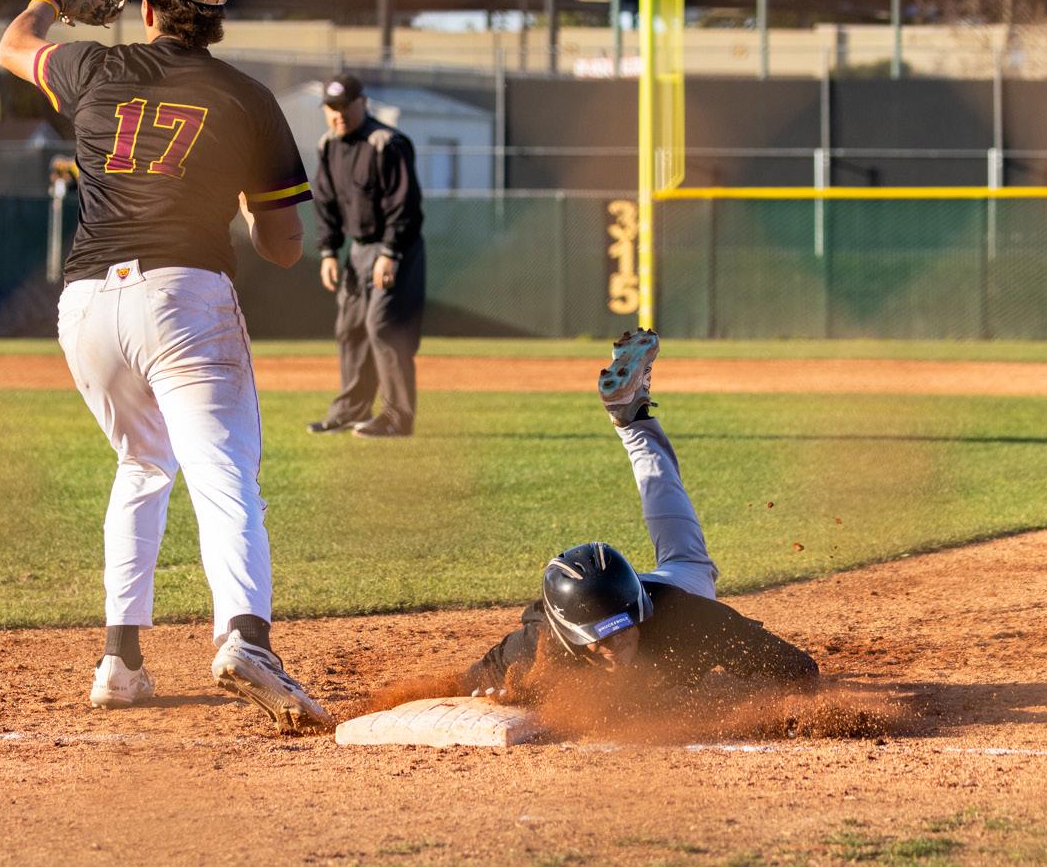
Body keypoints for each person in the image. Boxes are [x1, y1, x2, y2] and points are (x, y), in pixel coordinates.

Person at [0, 0, 333, 734]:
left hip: (86, 303)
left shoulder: (92, 68)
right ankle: (246, 638)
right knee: (223, 471)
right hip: (185, 294)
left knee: (142, 463)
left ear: (145, 6)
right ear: (214, 16)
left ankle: (120, 664)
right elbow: (285, 248)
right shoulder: (247, 98)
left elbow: (13, 46)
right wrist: (245, 198)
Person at [462, 329, 818, 702]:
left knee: (690, 564)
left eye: (624, 629)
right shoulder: (535, 649)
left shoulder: (690, 620)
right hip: (634, 596)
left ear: (638, 610)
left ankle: (634, 423)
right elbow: (462, 686)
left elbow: (799, 670)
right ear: (570, 635)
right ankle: (632, 421)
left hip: (672, 591)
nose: (617, 646)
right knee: (683, 555)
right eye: (602, 638)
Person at [307, 73, 426, 439]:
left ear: (363, 103)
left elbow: (405, 205)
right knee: (350, 328)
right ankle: (351, 411)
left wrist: (390, 253)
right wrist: (328, 251)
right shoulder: (328, 145)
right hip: (357, 250)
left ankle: (397, 418)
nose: (339, 114)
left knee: (383, 326)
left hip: (395, 248)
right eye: (332, 107)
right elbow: (325, 202)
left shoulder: (386, 143)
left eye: (346, 106)